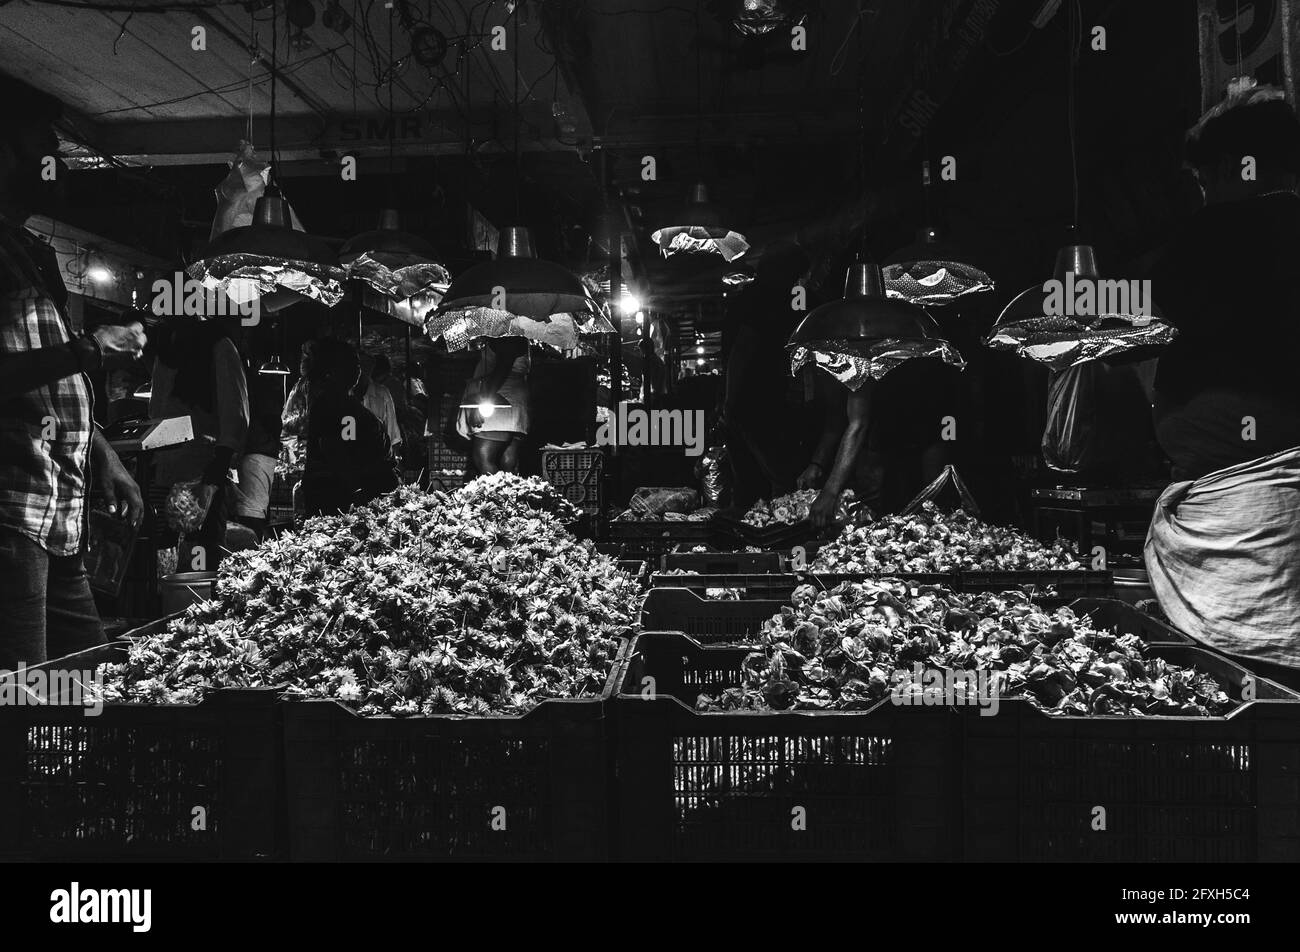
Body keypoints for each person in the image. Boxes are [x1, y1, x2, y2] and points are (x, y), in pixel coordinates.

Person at [1144, 82, 1300, 684]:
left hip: (1255, 510)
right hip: (1243, 506)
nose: (1204, 194)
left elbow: (1139, 318)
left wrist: (1078, 302)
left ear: (1242, 167)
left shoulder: (1220, 232)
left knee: (1249, 682)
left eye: (1206, 179)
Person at [0, 77, 144, 670]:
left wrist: (105, 457)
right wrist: (89, 350)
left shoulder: (28, 252)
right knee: (21, 689)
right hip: (10, 516)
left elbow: (49, 389)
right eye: (40, 146)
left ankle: (70, 766)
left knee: (88, 680)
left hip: (58, 512)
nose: (53, 161)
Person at [149, 318, 249, 573]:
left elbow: (234, 414)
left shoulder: (219, 347)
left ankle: (200, 609)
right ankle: (174, 607)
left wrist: (213, 477)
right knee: (165, 560)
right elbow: (156, 411)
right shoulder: (167, 351)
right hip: (164, 471)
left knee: (202, 558)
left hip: (202, 475)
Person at [300, 338, 398, 516]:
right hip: (339, 501)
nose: (358, 369)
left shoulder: (338, 404)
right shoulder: (340, 408)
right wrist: (357, 492)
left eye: (358, 363)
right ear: (334, 371)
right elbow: (340, 450)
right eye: (353, 363)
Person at [458, 336, 530, 475]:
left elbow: (502, 370)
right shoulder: (513, 337)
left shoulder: (508, 338)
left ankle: (497, 494)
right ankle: (512, 494)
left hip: (500, 401)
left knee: (483, 458)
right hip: (512, 401)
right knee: (508, 460)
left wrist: (483, 401)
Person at [230, 363, 283, 535]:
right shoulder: (254, 384)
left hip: (256, 453)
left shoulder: (244, 383)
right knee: (253, 514)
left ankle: (249, 557)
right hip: (260, 451)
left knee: (250, 517)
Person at [355, 351, 402, 459]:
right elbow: (346, 436)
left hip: (378, 459)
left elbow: (393, 433)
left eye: (365, 367)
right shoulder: (347, 395)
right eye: (359, 367)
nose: (361, 372)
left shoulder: (382, 394)